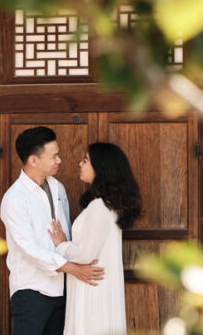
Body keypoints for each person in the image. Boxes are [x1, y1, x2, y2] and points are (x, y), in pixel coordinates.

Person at [0, 127, 105, 335]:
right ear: (33, 160)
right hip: (31, 291)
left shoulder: (58, 187)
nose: (60, 160)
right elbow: (28, 248)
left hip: (62, 289)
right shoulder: (14, 199)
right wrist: (73, 268)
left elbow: (65, 234)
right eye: (54, 156)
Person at [48, 142, 142, 335]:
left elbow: (84, 255)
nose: (80, 164)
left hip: (91, 290)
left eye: (86, 160)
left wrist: (61, 245)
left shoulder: (99, 207)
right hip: (96, 287)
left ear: (102, 168)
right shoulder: (109, 206)